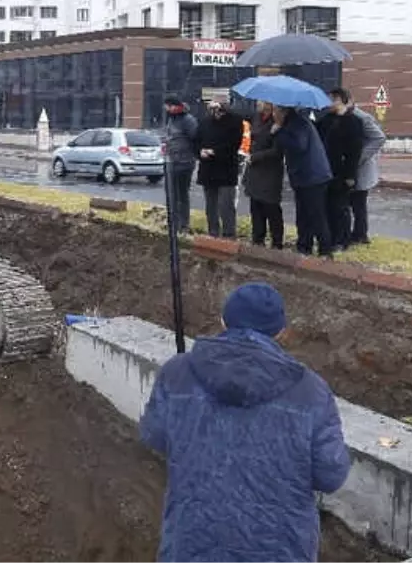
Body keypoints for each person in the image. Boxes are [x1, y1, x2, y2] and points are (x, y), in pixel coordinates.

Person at [140, 282, 351, 562]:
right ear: (281, 331)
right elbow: (331, 475)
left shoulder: (177, 373)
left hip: (191, 545)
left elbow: (153, 435)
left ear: (224, 321)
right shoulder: (311, 391)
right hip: (281, 550)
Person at [271, 105, 333, 256]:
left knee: (316, 214)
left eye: (275, 111)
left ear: (283, 112)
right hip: (302, 176)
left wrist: (278, 131)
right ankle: (304, 246)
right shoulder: (292, 123)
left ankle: (325, 250)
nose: (273, 114)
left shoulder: (299, 123)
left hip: (313, 176)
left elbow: (299, 145)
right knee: (303, 214)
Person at [315, 88, 364, 251]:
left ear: (340, 100)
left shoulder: (353, 122)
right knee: (327, 206)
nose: (328, 103)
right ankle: (329, 237)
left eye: (331, 99)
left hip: (342, 172)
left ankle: (342, 240)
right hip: (325, 170)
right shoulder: (326, 120)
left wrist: (351, 175)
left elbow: (354, 152)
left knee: (341, 207)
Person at [196, 100, 245, 238]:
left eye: (219, 110)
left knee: (226, 205)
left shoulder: (234, 121)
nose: (216, 113)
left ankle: (229, 233)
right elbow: (196, 140)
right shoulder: (205, 122)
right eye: (212, 110)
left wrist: (215, 152)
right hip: (208, 169)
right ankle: (213, 231)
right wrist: (200, 151)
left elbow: (234, 144)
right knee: (211, 205)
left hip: (226, 169)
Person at [245, 101, 285, 249]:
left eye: (261, 100)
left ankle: (277, 241)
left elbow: (277, 151)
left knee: (271, 207)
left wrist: (256, 156)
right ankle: (258, 239)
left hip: (270, 171)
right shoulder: (256, 117)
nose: (257, 103)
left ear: (269, 103)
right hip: (254, 169)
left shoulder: (278, 121)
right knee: (255, 205)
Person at [350, 102, 387, 245]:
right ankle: (356, 234)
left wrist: (359, 157)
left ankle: (360, 235)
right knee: (353, 204)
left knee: (358, 204)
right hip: (351, 168)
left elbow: (379, 138)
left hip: (361, 169)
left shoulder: (362, 117)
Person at [162, 95, 199, 234]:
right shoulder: (172, 119)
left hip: (184, 162)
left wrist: (189, 154)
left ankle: (183, 225)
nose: (166, 109)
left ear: (173, 106)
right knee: (172, 195)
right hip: (172, 161)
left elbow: (195, 138)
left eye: (167, 106)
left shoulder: (187, 120)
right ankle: (174, 224)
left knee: (181, 194)